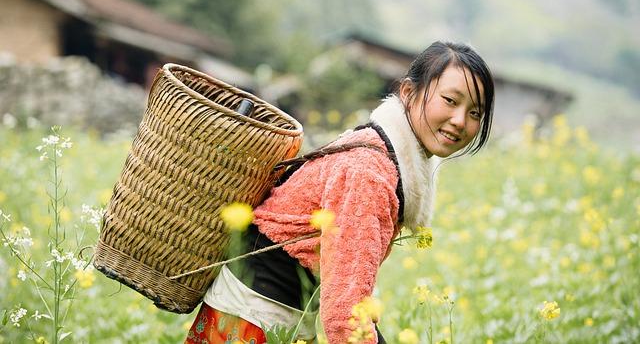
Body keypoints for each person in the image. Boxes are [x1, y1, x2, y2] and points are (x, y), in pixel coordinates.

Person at [185, 41, 495, 344]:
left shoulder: (383, 154)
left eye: (475, 113)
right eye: (451, 101)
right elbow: (345, 314)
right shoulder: (369, 172)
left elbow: (352, 292)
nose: (460, 121)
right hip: (252, 319)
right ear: (409, 93)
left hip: (269, 316)